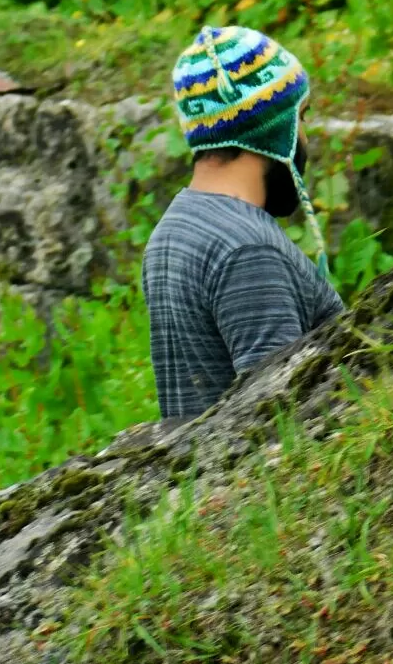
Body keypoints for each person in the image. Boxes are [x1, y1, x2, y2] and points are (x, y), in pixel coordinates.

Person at [142, 24, 344, 421]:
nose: (305, 137)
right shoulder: (248, 251)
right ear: (273, 127)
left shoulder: (174, 227)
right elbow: (280, 423)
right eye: (300, 118)